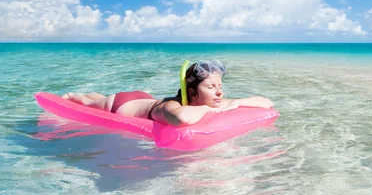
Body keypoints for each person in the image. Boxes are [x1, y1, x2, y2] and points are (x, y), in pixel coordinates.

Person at [62, 60, 273, 126]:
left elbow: (266, 102)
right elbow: (181, 118)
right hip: (121, 104)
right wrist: (215, 110)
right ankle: (76, 96)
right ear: (192, 92)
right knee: (89, 104)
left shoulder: (209, 99)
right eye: (211, 87)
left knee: (97, 97)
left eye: (219, 87)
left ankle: (93, 93)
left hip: (143, 97)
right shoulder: (170, 107)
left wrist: (236, 103)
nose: (219, 93)